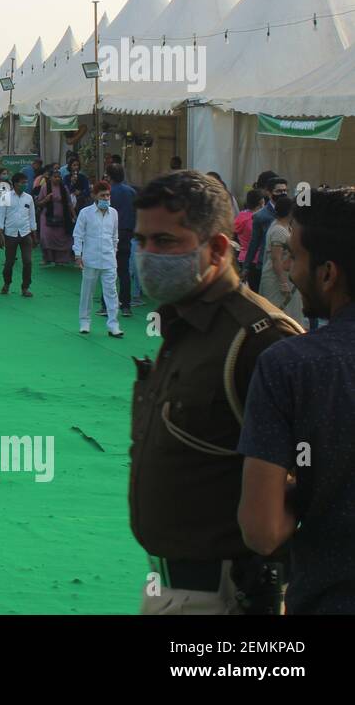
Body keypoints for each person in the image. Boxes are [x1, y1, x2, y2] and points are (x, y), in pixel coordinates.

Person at [129, 170, 300, 614]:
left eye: (165, 242)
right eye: (141, 241)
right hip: (168, 584)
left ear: (219, 248)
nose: (148, 255)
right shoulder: (184, 323)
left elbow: (309, 480)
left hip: (226, 594)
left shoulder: (260, 341)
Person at [237, 187, 355, 614]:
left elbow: (262, 529)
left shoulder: (290, 365)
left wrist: (315, 487)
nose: (289, 267)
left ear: (328, 274)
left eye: (296, 257)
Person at [73, 180, 121, 337]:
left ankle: (113, 325)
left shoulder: (113, 213)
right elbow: (78, 235)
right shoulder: (85, 213)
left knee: (111, 292)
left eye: (108, 195)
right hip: (90, 259)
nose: (106, 198)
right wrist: (77, 255)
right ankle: (84, 322)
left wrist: (113, 253)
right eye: (103, 195)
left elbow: (115, 237)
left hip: (109, 260)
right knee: (87, 292)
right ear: (95, 196)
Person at [257, 195, 304, 325]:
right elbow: (275, 258)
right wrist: (283, 282)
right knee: (278, 316)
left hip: (285, 276)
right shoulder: (278, 230)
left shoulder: (285, 226)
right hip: (276, 277)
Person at [245, 175, 289, 292]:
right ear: (269, 193)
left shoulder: (290, 212)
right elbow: (254, 242)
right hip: (266, 263)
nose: (283, 194)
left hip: (286, 265)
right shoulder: (261, 216)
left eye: (285, 191)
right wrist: (246, 267)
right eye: (278, 191)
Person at [0, 171, 37, 297]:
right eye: (22, 183)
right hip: (10, 234)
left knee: (28, 261)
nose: (25, 185)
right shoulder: (5, 196)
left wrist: (34, 235)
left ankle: (25, 287)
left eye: (26, 182)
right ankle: (7, 284)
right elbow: (1, 216)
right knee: (9, 262)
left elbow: (32, 217)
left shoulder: (29, 198)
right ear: (15, 184)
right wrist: (0, 234)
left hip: (25, 234)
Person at [105, 164, 137, 317]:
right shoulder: (131, 192)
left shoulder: (108, 193)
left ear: (109, 176)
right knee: (124, 271)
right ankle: (126, 305)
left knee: (108, 271)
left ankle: (106, 305)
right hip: (126, 234)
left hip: (109, 235)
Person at [36, 170, 75, 266]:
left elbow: (69, 203)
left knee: (63, 238)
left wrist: (74, 215)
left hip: (62, 217)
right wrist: (46, 199)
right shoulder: (45, 188)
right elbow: (38, 203)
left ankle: (61, 259)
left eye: (59, 177)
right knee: (46, 237)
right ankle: (47, 259)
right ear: (50, 178)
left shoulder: (64, 188)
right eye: (55, 177)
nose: (57, 179)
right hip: (47, 216)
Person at [234, 189, 265, 269]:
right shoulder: (257, 220)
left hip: (241, 257)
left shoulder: (240, 216)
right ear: (261, 203)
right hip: (255, 259)